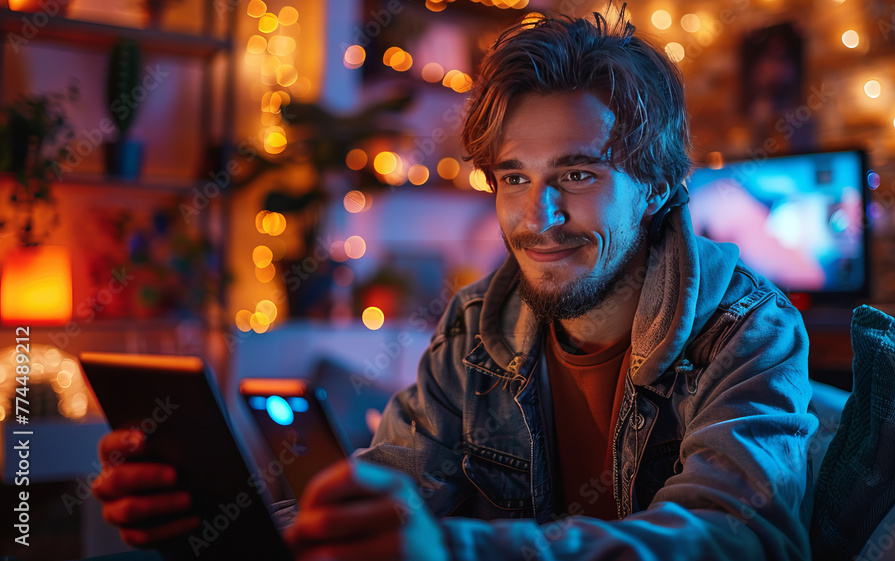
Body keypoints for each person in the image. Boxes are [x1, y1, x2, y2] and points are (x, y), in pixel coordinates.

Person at [93, 9, 818, 561]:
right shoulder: (478, 325)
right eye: (514, 178)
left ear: (658, 187)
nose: (541, 216)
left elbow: (736, 534)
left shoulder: (745, 324)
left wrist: (456, 550)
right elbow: (390, 501)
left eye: (577, 174)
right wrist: (213, 527)